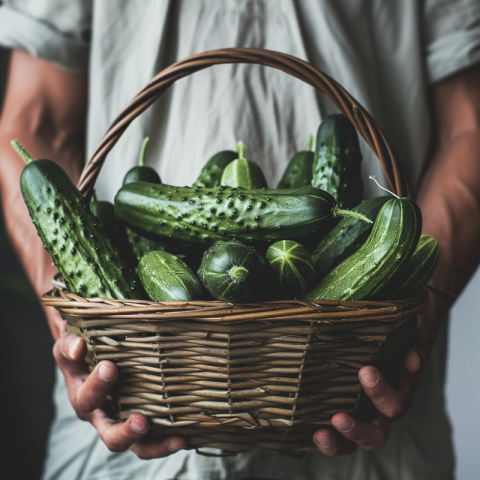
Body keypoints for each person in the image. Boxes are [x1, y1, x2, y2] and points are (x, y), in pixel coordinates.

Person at [1, 1, 480, 479]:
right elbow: (34, 122)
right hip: (132, 393)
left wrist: (422, 310)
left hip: (365, 396)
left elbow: (468, 130)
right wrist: (76, 328)